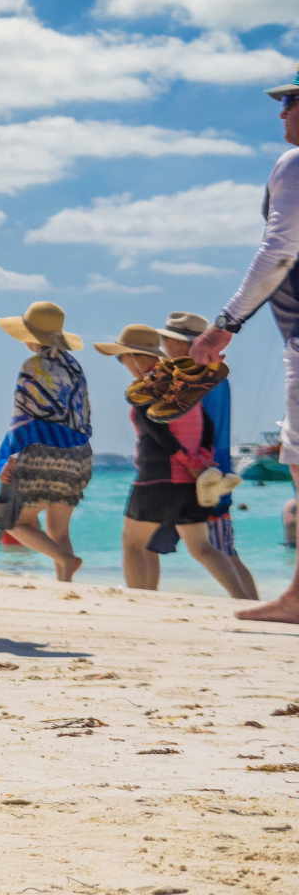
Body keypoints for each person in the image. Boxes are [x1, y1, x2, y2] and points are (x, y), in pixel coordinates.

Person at [191, 63, 299, 622]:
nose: (281, 111)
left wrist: (225, 323)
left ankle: (298, 598)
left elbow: (280, 251)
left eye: (290, 100)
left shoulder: (295, 164)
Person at [104, 326, 253, 598]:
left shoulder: (146, 386)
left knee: (133, 543)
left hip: (158, 475)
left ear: (136, 357)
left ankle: (139, 603)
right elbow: (208, 425)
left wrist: (188, 459)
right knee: (203, 549)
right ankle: (242, 600)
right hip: (191, 480)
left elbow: (158, 434)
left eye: (121, 357)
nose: (122, 363)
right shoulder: (183, 382)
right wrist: (202, 460)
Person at [0, 302, 92, 582]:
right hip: (79, 453)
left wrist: (9, 458)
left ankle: (66, 560)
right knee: (59, 530)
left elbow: (22, 417)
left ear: (31, 336)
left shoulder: (32, 366)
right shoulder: (75, 365)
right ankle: (65, 585)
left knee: (13, 523)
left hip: (42, 451)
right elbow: (84, 415)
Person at [160, 313, 253, 597]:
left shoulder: (191, 376)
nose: (163, 343)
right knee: (221, 548)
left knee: (214, 549)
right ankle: (250, 602)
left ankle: (246, 603)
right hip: (215, 467)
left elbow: (190, 426)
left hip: (200, 470)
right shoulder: (216, 374)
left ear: (181, 344)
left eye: (167, 339)